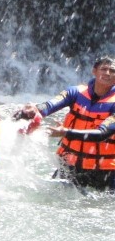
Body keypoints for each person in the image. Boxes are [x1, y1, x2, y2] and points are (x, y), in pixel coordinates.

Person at [17, 56, 115, 189]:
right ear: (94, 71)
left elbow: (102, 134)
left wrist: (66, 132)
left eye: (112, 70)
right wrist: (35, 110)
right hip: (69, 166)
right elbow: (49, 105)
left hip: (104, 172)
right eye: (104, 69)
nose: (107, 73)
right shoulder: (75, 92)